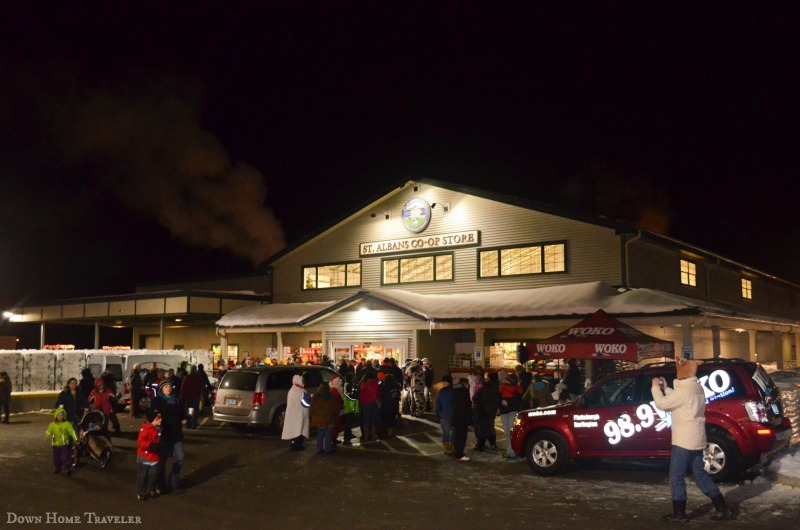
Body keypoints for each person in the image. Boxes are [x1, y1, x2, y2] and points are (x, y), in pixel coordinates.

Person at [652, 357, 731, 522]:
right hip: (697, 439)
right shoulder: (696, 388)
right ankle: (721, 507)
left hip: (683, 441)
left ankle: (679, 513)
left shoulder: (684, 391)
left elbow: (663, 404)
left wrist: (656, 388)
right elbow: (681, 402)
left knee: (676, 476)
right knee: (700, 473)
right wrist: (667, 389)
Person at [152, 379, 185, 494]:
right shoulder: (158, 401)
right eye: (166, 387)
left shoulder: (176, 400)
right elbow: (151, 416)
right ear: (161, 389)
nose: (169, 388)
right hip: (164, 435)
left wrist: (187, 415)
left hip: (176, 434)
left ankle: (174, 482)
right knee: (161, 462)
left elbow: (182, 415)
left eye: (170, 386)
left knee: (179, 459)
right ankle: (160, 485)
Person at [136, 409, 161, 501]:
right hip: (144, 456)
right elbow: (140, 442)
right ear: (152, 419)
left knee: (153, 475)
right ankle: (141, 492)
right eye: (158, 418)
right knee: (142, 475)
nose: (160, 420)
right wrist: (150, 445)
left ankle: (151, 489)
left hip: (154, 456)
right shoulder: (146, 428)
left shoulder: (159, 428)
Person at [310, 381, 340, 454]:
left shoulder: (316, 397)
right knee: (328, 435)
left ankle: (319, 449)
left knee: (320, 435)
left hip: (320, 419)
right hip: (330, 419)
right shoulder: (333, 397)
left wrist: (315, 415)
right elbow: (336, 408)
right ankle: (328, 449)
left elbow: (312, 408)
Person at [282, 373, 310, 451]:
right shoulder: (300, 392)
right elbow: (306, 403)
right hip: (299, 414)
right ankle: (297, 446)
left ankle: (294, 445)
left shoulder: (292, 390)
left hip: (294, 414)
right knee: (299, 431)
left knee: (295, 430)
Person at [45, 407, 77, 475]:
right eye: (59, 415)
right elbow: (48, 431)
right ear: (56, 416)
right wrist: (47, 436)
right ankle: (58, 467)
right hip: (55, 444)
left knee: (64, 456)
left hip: (64, 443)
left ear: (64, 416)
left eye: (61, 415)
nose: (60, 417)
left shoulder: (67, 424)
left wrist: (75, 439)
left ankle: (68, 468)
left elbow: (71, 432)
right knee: (56, 457)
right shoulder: (52, 424)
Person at [498, 373, 523, 458]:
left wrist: (506, 402)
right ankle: (511, 451)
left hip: (508, 411)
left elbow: (518, 400)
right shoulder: (503, 388)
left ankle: (511, 451)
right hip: (509, 411)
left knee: (509, 432)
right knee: (509, 432)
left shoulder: (504, 388)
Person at [473, 371, 499, 451]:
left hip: (483, 410)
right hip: (492, 410)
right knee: (491, 427)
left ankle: (480, 445)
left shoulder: (485, 387)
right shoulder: (498, 387)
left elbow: (476, 398)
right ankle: (493, 444)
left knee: (482, 428)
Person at [452, 378, 472, 462]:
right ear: (465, 384)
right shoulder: (463, 391)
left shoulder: (454, 390)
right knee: (462, 436)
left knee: (456, 435)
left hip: (455, 417)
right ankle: (459, 455)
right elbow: (466, 405)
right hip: (462, 417)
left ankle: (457, 452)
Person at [359, 371, 381, 442]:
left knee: (366, 420)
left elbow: (362, 395)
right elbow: (378, 394)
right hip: (374, 403)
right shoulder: (375, 383)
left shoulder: (363, 384)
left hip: (366, 404)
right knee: (373, 420)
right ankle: (373, 435)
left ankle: (366, 436)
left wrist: (361, 404)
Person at [435, 374, 454, 454]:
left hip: (447, 414)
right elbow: (438, 402)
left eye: (445, 382)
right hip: (448, 414)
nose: (443, 383)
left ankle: (450, 446)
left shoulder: (444, 391)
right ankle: (450, 446)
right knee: (450, 431)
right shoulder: (444, 391)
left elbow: (438, 402)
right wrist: (438, 411)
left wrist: (438, 412)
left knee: (449, 431)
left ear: (449, 382)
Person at [341, 372, 359, 445]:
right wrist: (355, 398)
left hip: (350, 407)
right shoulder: (348, 386)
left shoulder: (350, 385)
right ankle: (346, 438)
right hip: (349, 407)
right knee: (348, 423)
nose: (354, 378)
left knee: (350, 423)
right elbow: (348, 395)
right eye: (353, 377)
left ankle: (348, 435)